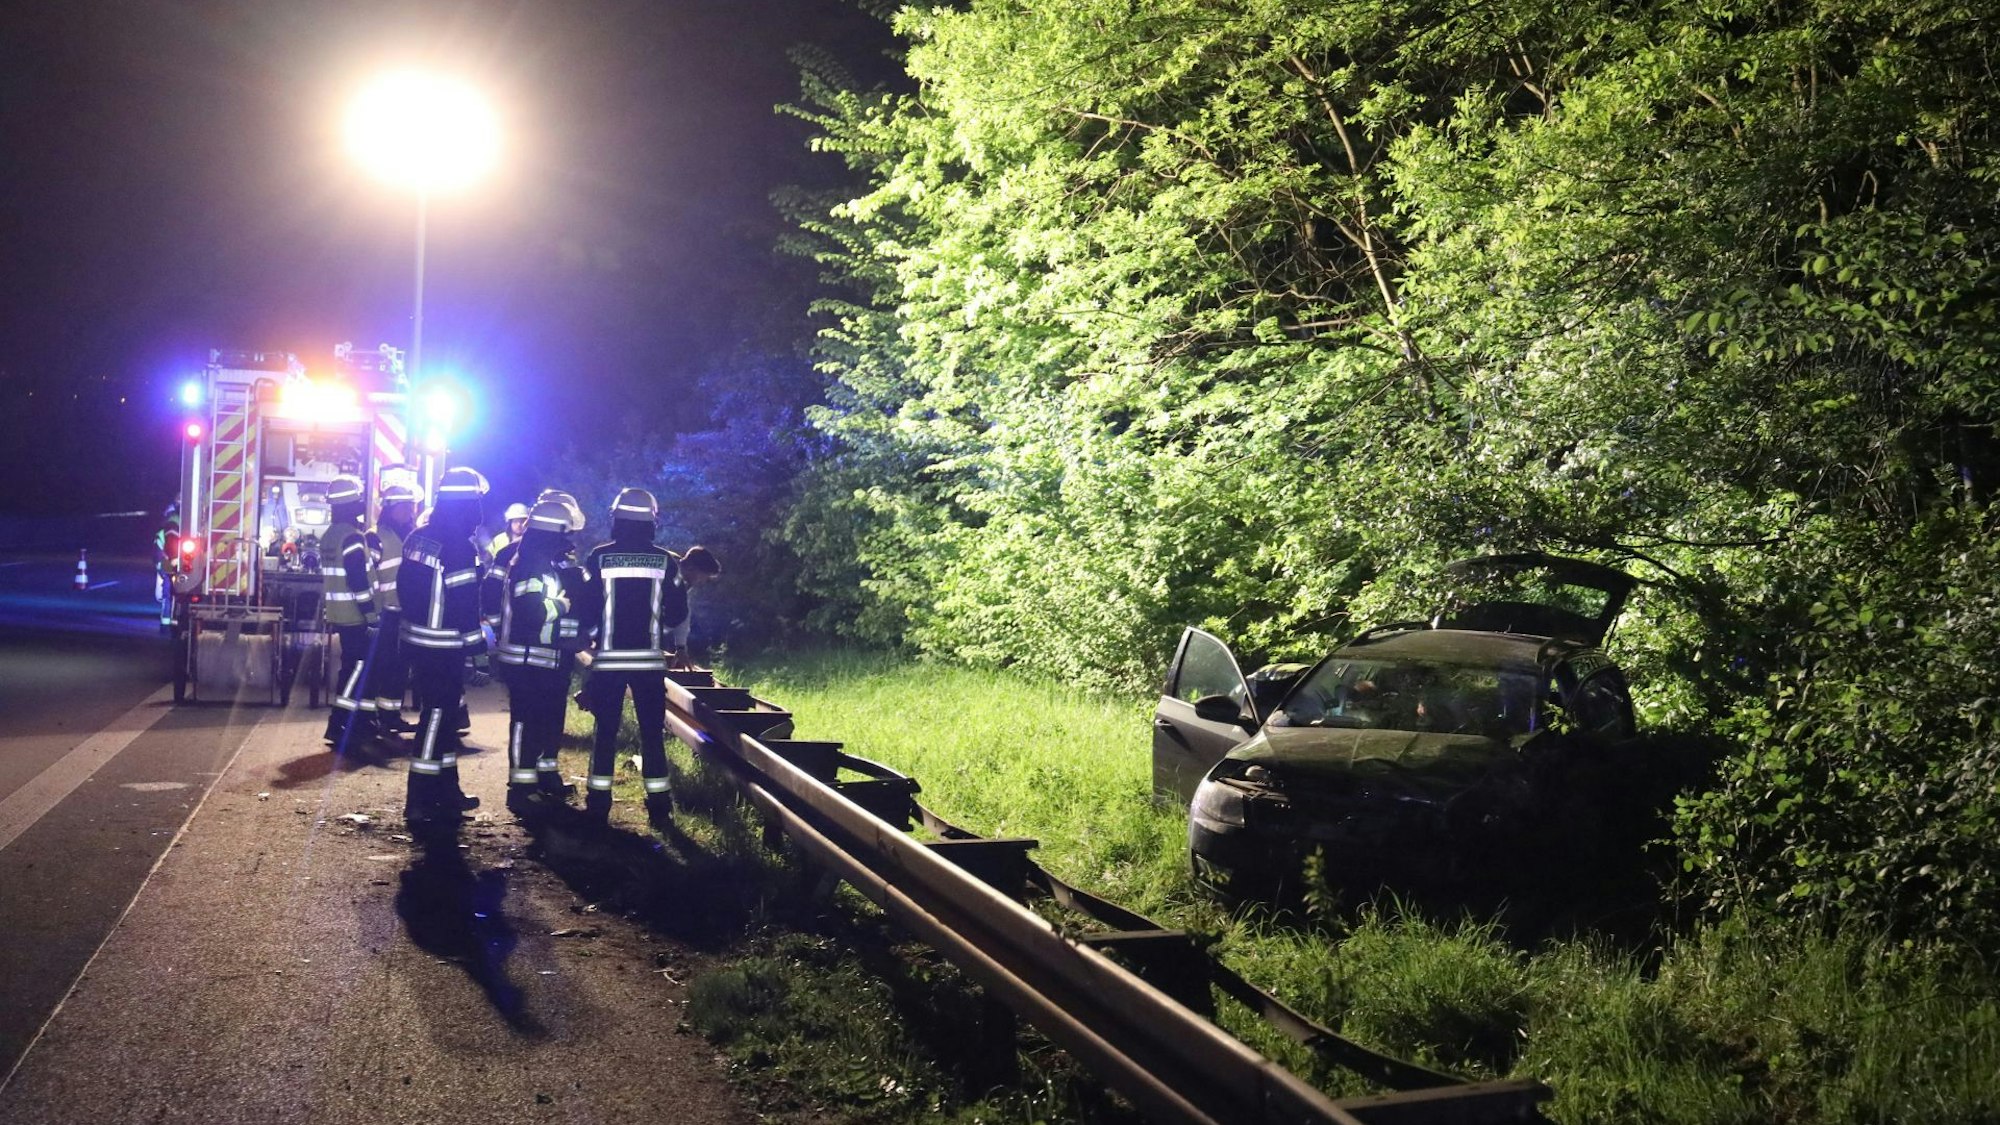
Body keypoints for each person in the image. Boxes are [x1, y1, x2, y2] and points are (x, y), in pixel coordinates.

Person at [580, 488, 679, 827]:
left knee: (605, 731)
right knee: (652, 733)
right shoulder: (666, 560)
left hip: (608, 662)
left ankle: (597, 804)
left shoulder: (598, 557)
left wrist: (589, 638)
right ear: (652, 520)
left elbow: (586, 608)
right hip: (649, 663)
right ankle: (660, 808)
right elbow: (678, 612)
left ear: (617, 519)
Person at [398, 466, 489, 829]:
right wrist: (479, 654)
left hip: (418, 642)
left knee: (445, 719)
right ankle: (418, 799)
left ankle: (447, 791)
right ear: (468, 504)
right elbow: (466, 606)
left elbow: (407, 590)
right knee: (436, 719)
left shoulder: (418, 537)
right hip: (443, 647)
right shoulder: (458, 548)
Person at [498, 498, 593, 817]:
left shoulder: (539, 560)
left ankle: (537, 780)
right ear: (549, 533)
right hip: (527, 659)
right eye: (562, 535)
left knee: (540, 720)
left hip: (541, 658)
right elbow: (530, 612)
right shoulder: (529, 563)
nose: (567, 543)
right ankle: (521, 789)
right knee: (525, 722)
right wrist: (561, 606)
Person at [321, 476, 378, 750]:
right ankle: (340, 721)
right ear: (351, 504)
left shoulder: (331, 535)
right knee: (356, 669)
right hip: (355, 615)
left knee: (354, 668)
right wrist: (371, 614)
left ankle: (360, 722)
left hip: (339, 613)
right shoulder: (352, 537)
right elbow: (358, 580)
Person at [369, 480, 421, 735]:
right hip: (385, 612)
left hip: (406, 610)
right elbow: (368, 575)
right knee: (385, 665)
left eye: (411, 506)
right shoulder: (375, 537)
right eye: (404, 507)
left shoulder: (412, 535)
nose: (409, 511)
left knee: (400, 666)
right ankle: (379, 716)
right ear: (390, 509)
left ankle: (391, 714)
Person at [664, 545, 721, 670]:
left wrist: (681, 648)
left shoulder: (682, 582)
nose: (702, 582)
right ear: (691, 568)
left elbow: (683, 612)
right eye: (703, 576)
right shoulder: (668, 569)